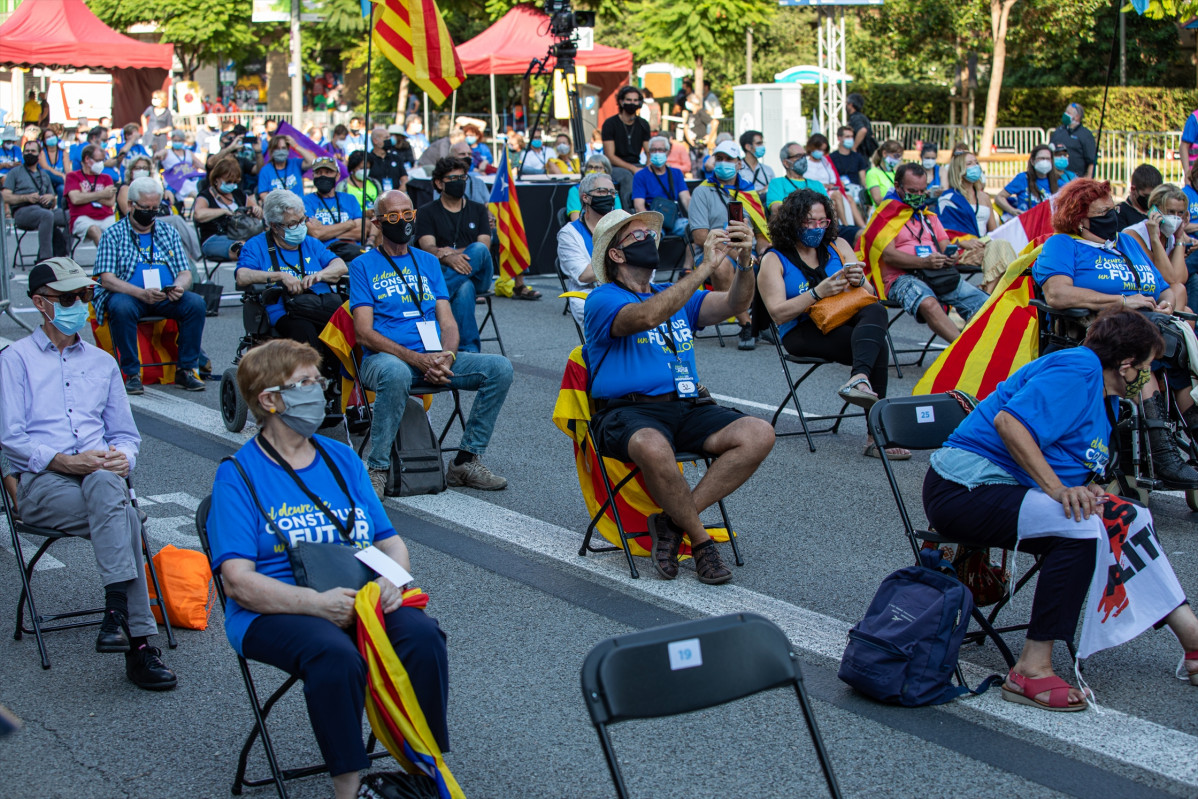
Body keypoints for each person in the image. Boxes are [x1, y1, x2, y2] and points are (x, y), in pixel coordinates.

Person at [207, 339, 449, 799]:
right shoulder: (238, 475)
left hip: (357, 594)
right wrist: (315, 605)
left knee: (422, 636)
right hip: (275, 608)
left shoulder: (341, 459)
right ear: (270, 399)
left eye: (318, 381)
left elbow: (390, 542)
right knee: (334, 655)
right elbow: (237, 581)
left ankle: (423, 774)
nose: (319, 390)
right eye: (305, 383)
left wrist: (391, 580)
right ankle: (349, 789)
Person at [923, 309, 1198, 711]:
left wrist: (1088, 493)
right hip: (964, 488)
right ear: (1126, 366)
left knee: (1129, 516)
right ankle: (1030, 669)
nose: (1150, 377)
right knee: (1082, 528)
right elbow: (1009, 422)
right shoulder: (1078, 368)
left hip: (1006, 489)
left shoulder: (1106, 398)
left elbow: (1074, 464)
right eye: (1149, 367)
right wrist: (1057, 490)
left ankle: (1191, 639)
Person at [0, 257, 178, 690]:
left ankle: (120, 619)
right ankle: (137, 641)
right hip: (43, 483)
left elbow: (125, 435)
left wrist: (122, 458)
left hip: (99, 479)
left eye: (84, 296)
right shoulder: (15, 360)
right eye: (68, 298)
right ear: (42, 304)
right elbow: (10, 437)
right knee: (125, 516)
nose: (81, 304)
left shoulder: (102, 362)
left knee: (106, 483)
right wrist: (63, 460)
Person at [582, 209, 775, 584]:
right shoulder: (602, 299)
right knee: (654, 447)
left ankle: (671, 522)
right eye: (636, 237)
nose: (649, 241)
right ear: (616, 255)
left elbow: (736, 305)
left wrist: (745, 262)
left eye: (649, 235)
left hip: (686, 406)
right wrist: (703, 269)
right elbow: (647, 317)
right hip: (627, 413)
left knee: (759, 434)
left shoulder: (676, 298)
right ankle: (702, 542)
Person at [1032, 178, 1198, 487]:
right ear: (1081, 219)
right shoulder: (1063, 245)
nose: (1114, 215)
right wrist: (1121, 301)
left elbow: (1163, 288)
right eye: (1104, 211)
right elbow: (1057, 295)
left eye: (1113, 208)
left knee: (1184, 360)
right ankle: (1162, 453)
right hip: (1096, 332)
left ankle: (1191, 439)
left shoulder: (1127, 243)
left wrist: (1164, 303)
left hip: (1153, 325)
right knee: (1138, 352)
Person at [349, 190, 514, 495]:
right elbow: (363, 333)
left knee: (499, 368)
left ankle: (465, 461)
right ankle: (378, 468)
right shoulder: (362, 266)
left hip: (433, 359)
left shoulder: (428, 262)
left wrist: (446, 357)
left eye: (408, 214)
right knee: (395, 373)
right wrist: (417, 359)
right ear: (378, 222)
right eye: (394, 216)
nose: (403, 221)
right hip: (385, 361)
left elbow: (448, 321)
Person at [757, 190, 903, 460]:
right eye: (809, 222)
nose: (816, 229)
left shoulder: (838, 245)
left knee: (874, 310)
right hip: (801, 330)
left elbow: (868, 295)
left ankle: (859, 379)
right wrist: (817, 293)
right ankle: (876, 434)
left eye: (822, 222)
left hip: (842, 317)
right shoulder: (774, 259)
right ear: (792, 221)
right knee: (877, 345)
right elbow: (777, 314)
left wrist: (859, 280)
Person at [92, 177, 207, 395]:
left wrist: (179, 286)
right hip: (131, 295)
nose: (151, 213)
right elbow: (106, 278)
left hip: (164, 295)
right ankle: (132, 373)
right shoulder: (112, 234)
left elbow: (185, 272)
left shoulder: (168, 232)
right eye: (145, 208)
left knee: (196, 303)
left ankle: (186, 369)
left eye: (155, 208)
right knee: (121, 307)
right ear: (131, 205)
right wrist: (139, 293)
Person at [236, 190, 348, 380]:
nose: (300, 227)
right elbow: (242, 276)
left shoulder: (311, 243)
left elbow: (340, 266)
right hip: (286, 310)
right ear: (274, 226)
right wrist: (280, 276)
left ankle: (346, 382)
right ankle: (315, 382)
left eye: (302, 220)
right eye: (292, 224)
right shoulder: (256, 245)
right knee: (306, 332)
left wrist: (320, 275)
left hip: (321, 305)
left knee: (352, 327)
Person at [873, 163, 988, 342]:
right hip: (901, 277)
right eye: (913, 191)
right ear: (897, 187)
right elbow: (888, 256)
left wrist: (952, 257)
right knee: (928, 302)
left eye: (922, 191)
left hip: (936, 274)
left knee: (984, 303)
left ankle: (973, 346)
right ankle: (961, 350)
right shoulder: (885, 215)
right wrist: (924, 262)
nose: (919, 196)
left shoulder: (929, 216)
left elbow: (945, 245)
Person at [689, 140, 771, 350]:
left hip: (748, 249)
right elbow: (700, 237)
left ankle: (769, 319)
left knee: (773, 258)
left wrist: (764, 250)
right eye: (719, 159)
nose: (723, 163)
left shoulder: (748, 193)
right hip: (715, 250)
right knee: (721, 262)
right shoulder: (701, 192)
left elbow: (762, 235)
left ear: (739, 164)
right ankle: (747, 323)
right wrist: (739, 254)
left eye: (728, 159)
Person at [414, 157, 496, 350]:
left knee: (477, 250)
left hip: (478, 274)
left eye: (462, 177)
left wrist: (450, 254)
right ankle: (469, 350)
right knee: (464, 287)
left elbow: (483, 244)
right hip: (444, 273)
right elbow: (427, 248)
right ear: (439, 183)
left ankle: (429, 303)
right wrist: (447, 257)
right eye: (453, 178)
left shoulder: (478, 209)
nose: (459, 182)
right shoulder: (427, 212)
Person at [936, 151, 1017, 292]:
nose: (975, 166)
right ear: (959, 170)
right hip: (962, 250)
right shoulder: (947, 198)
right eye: (969, 164)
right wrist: (962, 241)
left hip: (984, 245)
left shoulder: (984, 197)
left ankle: (986, 293)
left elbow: (993, 231)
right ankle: (989, 296)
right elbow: (941, 231)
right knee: (1003, 251)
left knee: (1003, 247)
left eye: (976, 163)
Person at [558, 171, 615, 330]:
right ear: (585, 197)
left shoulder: (624, 224)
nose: (608, 196)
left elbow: (644, 264)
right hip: (589, 294)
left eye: (612, 192)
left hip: (627, 290)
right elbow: (584, 275)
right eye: (602, 191)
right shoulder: (569, 234)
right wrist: (622, 259)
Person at [1122, 183, 1189, 309]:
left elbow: (1179, 278)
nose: (1176, 218)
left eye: (1180, 213)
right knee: (1179, 292)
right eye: (1170, 212)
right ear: (1154, 210)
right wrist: (1154, 238)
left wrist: (1180, 238)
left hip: (1163, 295)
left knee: (1187, 310)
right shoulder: (1134, 234)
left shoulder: (1171, 235)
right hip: (1138, 293)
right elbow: (1166, 278)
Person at [2, 139, 68, 262]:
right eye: (27, 151)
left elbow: (53, 202)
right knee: (47, 216)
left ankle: (62, 254)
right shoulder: (15, 173)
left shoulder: (45, 175)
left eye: (33, 151)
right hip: (23, 210)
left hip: (44, 208)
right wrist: (26, 197)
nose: (30, 153)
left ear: (39, 154)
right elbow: (5, 196)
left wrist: (50, 198)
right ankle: (46, 259)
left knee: (70, 215)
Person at [194, 156, 262, 261]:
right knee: (244, 248)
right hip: (214, 239)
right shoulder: (206, 195)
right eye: (228, 182)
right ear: (217, 179)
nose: (232, 185)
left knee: (266, 244)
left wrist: (256, 209)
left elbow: (257, 210)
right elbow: (198, 215)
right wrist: (223, 211)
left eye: (234, 182)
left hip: (242, 235)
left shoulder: (238, 194)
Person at [803, 133, 866, 243]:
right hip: (815, 191)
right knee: (837, 196)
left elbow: (832, 176)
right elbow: (807, 180)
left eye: (823, 150)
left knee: (848, 198)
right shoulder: (806, 164)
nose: (821, 153)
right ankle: (844, 225)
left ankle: (859, 226)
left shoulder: (825, 161)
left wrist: (831, 185)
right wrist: (823, 185)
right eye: (819, 149)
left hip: (829, 189)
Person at [303, 157, 365, 263]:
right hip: (323, 255)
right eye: (318, 172)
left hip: (353, 253)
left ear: (337, 176)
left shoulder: (350, 199)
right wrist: (348, 224)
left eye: (328, 172)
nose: (323, 176)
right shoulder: (305, 201)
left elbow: (360, 232)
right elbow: (315, 233)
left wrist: (325, 231)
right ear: (313, 176)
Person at [602, 86, 652, 209]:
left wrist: (649, 166)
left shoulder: (643, 124)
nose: (632, 103)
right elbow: (610, 156)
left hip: (636, 164)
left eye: (635, 100)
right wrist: (633, 169)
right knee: (627, 177)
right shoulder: (610, 124)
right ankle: (628, 213)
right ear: (621, 101)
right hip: (615, 167)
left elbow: (649, 151)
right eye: (629, 100)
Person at [632, 136, 691, 238]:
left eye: (661, 150)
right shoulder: (640, 175)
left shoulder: (676, 173)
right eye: (654, 150)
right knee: (651, 236)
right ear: (649, 153)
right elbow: (639, 206)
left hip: (673, 220)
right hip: (652, 221)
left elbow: (686, 199)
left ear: (667, 152)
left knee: (692, 229)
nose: (657, 153)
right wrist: (653, 225)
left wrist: (696, 220)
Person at [996, 144, 1075, 218]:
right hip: (1027, 224)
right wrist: (1013, 211)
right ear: (1033, 161)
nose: (1045, 161)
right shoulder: (1023, 178)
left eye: (1048, 159)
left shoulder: (1059, 183)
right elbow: (999, 197)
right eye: (1041, 158)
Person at [65, 144, 117, 246]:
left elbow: (110, 202)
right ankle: (106, 259)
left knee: (118, 232)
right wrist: (102, 194)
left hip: (106, 216)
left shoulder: (107, 178)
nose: (101, 164)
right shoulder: (73, 176)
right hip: (82, 218)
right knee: (94, 229)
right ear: (87, 159)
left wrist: (87, 195)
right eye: (98, 161)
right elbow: (75, 199)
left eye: (103, 160)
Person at [765, 141, 828, 212]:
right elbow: (776, 209)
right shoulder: (777, 183)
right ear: (786, 163)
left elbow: (828, 208)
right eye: (798, 156)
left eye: (804, 156)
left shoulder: (817, 184)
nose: (803, 159)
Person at [258, 134, 317, 202]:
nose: (280, 151)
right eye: (277, 148)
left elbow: (312, 161)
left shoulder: (295, 163)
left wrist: (295, 145)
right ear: (271, 151)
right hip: (277, 209)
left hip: (298, 208)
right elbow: (263, 194)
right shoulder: (265, 170)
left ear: (288, 149)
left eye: (283, 148)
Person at [567, 155, 624, 221]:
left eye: (597, 168)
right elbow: (576, 219)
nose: (593, 171)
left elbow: (619, 218)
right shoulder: (575, 190)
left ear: (606, 172)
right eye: (590, 167)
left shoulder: (612, 192)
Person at [1050, 102, 1097, 179]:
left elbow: (1091, 161)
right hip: (1056, 177)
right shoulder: (1058, 131)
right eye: (1065, 112)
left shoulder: (1085, 135)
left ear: (1077, 117)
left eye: (1068, 113)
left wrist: (1088, 179)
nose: (1065, 114)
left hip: (1076, 178)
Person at [1115, 164, 1164, 231]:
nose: (1151, 200)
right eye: (1147, 196)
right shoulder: (1120, 214)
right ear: (1133, 189)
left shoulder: (1160, 210)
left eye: (1155, 196)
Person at [367, 127, 409, 196]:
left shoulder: (396, 158)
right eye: (386, 138)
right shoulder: (368, 160)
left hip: (395, 197)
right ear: (375, 141)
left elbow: (404, 179)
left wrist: (397, 194)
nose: (390, 140)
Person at [682, 93, 715, 180]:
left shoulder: (701, 113)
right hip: (693, 145)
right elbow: (686, 127)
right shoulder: (690, 114)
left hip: (701, 146)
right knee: (694, 167)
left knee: (701, 167)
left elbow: (714, 122)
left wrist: (709, 136)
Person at [339, 149, 381, 215]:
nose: (364, 171)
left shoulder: (375, 183)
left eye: (367, 168)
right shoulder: (343, 186)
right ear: (353, 167)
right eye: (361, 168)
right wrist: (363, 214)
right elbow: (341, 209)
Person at [830, 125, 870, 193]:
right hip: (839, 189)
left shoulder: (858, 157)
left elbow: (863, 178)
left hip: (856, 190)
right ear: (839, 138)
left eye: (852, 136)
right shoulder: (832, 157)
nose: (850, 139)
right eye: (847, 137)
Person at [865, 139, 903, 207]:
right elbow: (878, 200)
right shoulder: (872, 173)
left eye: (900, 157)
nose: (898, 160)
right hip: (882, 213)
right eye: (896, 156)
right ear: (884, 153)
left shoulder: (895, 173)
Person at [37, 126, 67, 204]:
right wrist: (61, 175)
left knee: (62, 188)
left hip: (60, 182)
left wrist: (66, 177)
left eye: (52, 136)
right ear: (44, 140)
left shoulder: (63, 153)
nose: (51, 138)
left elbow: (68, 171)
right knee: (45, 172)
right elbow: (45, 167)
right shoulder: (42, 152)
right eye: (48, 137)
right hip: (46, 181)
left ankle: (60, 211)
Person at [846, 93, 876, 158]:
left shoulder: (855, 118)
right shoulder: (862, 117)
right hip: (865, 154)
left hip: (860, 153)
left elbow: (863, 130)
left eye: (847, 103)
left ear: (851, 104)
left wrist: (854, 147)